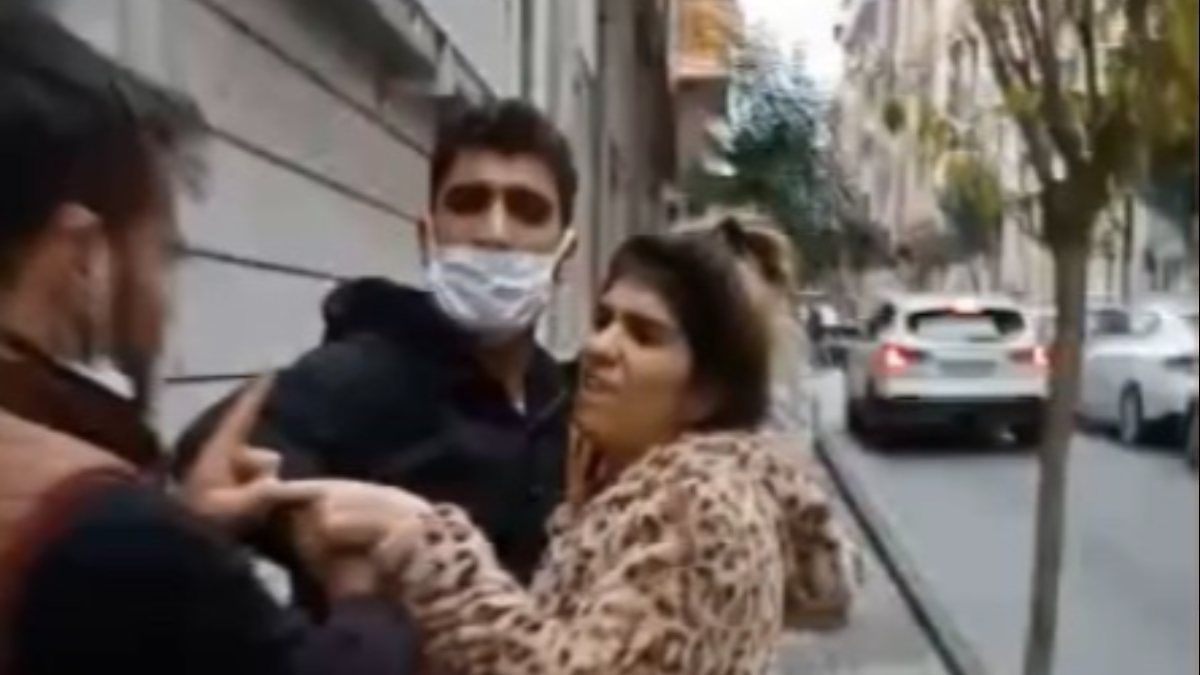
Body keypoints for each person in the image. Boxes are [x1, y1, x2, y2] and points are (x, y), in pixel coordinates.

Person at [0, 11, 414, 674]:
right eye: (165, 255)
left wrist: (185, 522)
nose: (168, 295)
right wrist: (366, 590)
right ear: (83, 259)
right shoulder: (99, 527)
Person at [292, 225, 859, 675]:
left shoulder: (700, 508)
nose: (600, 347)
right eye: (604, 320)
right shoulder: (626, 492)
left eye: (643, 335)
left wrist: (431, 548)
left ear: (705, 391)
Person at [174, 99, 579, 593]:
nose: (494, 232)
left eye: (527, 210)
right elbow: (217, 453)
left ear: (564, 254)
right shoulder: (362, 374)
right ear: (427, 235)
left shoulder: (561, 400)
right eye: (469, 202)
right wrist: (306, 525)